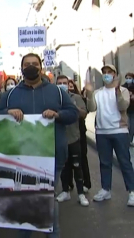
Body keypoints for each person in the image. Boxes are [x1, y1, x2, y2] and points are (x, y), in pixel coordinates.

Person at [0, 53, 78, 238]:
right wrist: (8, 112)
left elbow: (73, 113)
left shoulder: (57, 92)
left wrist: (58, 114)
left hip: (52, 153)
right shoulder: (10, 94)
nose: (31, 67)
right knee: (24, 200)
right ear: (22, 68)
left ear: (41, 67)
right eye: (27, 64)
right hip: (20, 157)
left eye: (35, 64)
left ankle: (53, 234)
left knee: (48, 197)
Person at [85, 65, 134, 206]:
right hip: (102, 132)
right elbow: (91, 108)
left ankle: (132, 191)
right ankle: (105, 189)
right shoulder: (98, 93)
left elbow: (123, 106)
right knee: (104, 163)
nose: (106, 75)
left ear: (115, 74)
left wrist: (118, 91)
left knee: (125, 162)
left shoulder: (123, 90)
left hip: (119, 131)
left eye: (109, 72)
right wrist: (89, 94)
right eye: (104, 72)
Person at [55, 75, 89, 206]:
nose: (62, 85)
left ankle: (81, 194)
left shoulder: (76, 98)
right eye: (59, 83)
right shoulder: (54, 99)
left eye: (64, 83)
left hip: (74, 137)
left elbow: (84, 114)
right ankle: (65, 191)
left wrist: (74, 108)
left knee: (77, 166)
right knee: (63, 167)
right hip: (59, 137)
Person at [68, 80, 91, 192]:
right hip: (69, 131)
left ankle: (86, 183)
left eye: (71, 87)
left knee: (82, 158)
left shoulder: (77, 98)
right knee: (68, 160)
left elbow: (84, 113)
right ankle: (68, 183)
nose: (69, 88)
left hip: (80, 131)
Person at [122, 72, 134, 145]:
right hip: (126, 109)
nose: (128, 80)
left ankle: (129, 140)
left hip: (133, 109)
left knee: (132, 126)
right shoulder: (123, 87)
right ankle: (127, 140)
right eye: (127, 78)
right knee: (127, 125)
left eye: (130, 78)